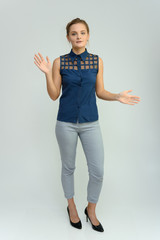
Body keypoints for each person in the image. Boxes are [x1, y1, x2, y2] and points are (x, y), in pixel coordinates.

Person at [34, 17, 141, 232]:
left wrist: (117, 96)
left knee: (98, 171)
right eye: (74, 33)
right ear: (68, 38)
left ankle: (90, 209)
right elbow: (54, 95)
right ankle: (71, 207)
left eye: (82, 33)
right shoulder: (59, 62)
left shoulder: (97, 61)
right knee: (68, 167)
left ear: (88, 36)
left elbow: (100, 92)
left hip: (90, 122)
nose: (78, 36)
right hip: (65, 123)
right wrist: (47, 74)